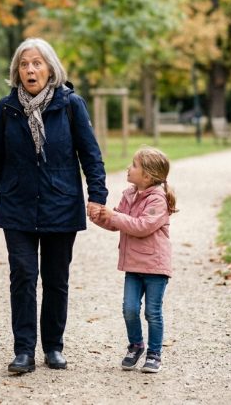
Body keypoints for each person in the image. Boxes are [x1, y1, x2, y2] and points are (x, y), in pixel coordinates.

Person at [0, 38, 108, 374]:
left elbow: (91, 155)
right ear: (16, 71)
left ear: (50, 68)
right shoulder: (7, 108)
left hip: (61, 203)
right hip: (17, 204)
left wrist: (97, 196)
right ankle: (23, 350)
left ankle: (53, 346)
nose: (30, 69)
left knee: (56, 279)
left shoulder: (70, 104)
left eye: (37, 63)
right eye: (24, 64)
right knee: (22, 275)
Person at [91, 146, 176, 374]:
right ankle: (136, 345)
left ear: (147, 176)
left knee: (152, 312)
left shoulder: (158, 200)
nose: (129, 168)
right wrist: (100, 217)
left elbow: (141, 226)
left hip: (155, 266)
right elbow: (117, 222)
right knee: (129, 309)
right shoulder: (128, 195)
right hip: (133, 265)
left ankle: (154, 353)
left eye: (134, 165)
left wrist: (115, 216)